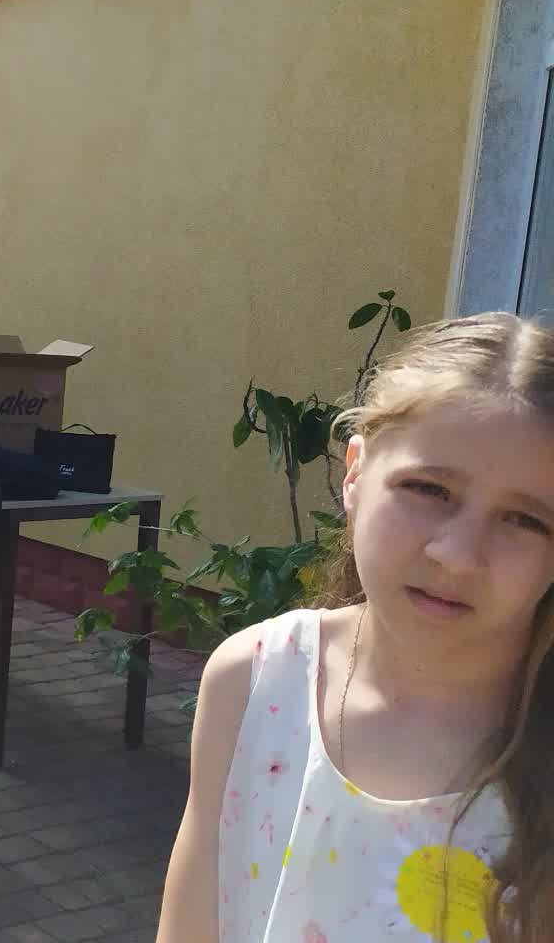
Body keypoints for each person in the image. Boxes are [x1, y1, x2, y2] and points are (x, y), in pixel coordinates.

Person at [155, 314, 554, 942]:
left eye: (525, 520)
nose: (458, 556)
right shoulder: (255, 680)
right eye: (429, 489)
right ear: (354, 474)